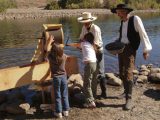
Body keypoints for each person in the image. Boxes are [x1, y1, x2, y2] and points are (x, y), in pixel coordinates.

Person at [111, 4, 152, 110]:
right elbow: (121, 37)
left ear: (124, 11)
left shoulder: (135, 19)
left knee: (129, 72)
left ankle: (129, 98)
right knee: (122, 72)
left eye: (118, 12)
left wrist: (146, 50)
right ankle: (125, 92)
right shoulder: (122, 22)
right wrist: (113, 47)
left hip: (130, 50)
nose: (117, 14)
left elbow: (143, 33)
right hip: (121, 49)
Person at [77, 12, 107, 99]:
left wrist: (84, 47)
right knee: (93, 73)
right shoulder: (84, 27)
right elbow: (81, 38)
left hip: (98, 51)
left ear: (90, 21)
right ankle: (93, 93)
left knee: (100, 73)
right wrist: (80, 45)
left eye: (86, 22)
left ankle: (104, 93)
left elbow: (96, 45)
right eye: (84, 22)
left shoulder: (96, 29)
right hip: (90, 51)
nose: (85, 24)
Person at [47, 35, 70, 118]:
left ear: (53, 51)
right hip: (64, 77)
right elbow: (64, 54)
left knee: (57, 95)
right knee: (64, 94)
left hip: (56, 78)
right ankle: (66, 110)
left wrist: (49, 41)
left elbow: (47, 50)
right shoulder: (64, 56)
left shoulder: (51, 58)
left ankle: (58, 112)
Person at [81, 32, 97, 108]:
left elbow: (77, 45)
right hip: (94, 64)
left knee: (86, 83)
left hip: (89, 65)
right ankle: (93, 97)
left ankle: (90, 102)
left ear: (86, 38)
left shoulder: (84, 43)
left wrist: (69, 45)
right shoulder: (91, 45)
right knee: (92, 81)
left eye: (83, 37)